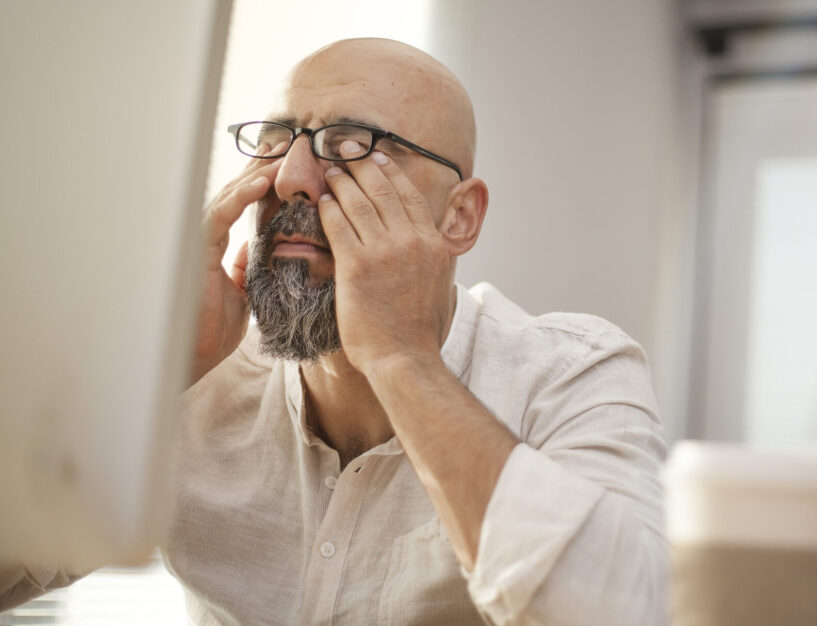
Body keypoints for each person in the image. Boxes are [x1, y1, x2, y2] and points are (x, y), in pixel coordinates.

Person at [2, 38, 667, 625]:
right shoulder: (203, 369)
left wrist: (402, 359)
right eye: (273, 142)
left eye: (352, 147)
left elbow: (629, 613)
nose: (291, 179)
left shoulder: (573, 372)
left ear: (458, 217)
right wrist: (158, 372)